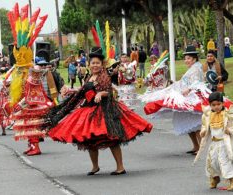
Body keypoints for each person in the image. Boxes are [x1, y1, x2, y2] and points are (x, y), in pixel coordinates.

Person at [46, 47, 153, 175]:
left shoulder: (104, 76)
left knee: (113, 138)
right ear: (89, 64)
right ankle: (95, 167)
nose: (95, 65)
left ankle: (120, 167)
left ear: (102, 64)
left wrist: (100, 94)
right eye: (93, 63)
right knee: (90, 140)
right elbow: (84, 91)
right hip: (89, 111)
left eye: (97, 63)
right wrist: (72, 90)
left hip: (105, 111)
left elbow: (108, 91)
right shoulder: (89, 76)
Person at [140, 46, 207, 155]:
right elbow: (185, 82)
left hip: (193, 98)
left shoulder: (197, 68)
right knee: (188, 124)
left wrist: (188, 89)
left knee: (195, 124)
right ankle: (196, 146)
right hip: (186, 97)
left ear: (194, 59)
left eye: (188, 58)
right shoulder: (193, 68)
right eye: (185, 58)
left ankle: (201, 147)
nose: (186, 61)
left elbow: (197, 83)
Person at [195, 92, 233, 191]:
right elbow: (204, 126)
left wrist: (230, 131)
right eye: (213, 105)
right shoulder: (207, 115)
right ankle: (215, 178)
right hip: (214, 143)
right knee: (212, 162)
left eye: (218, 104)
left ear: (222, 103)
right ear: (210, 105)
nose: (216, 107)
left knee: (224, 161)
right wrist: (203, 132)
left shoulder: (228, 115)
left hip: (224, 143)